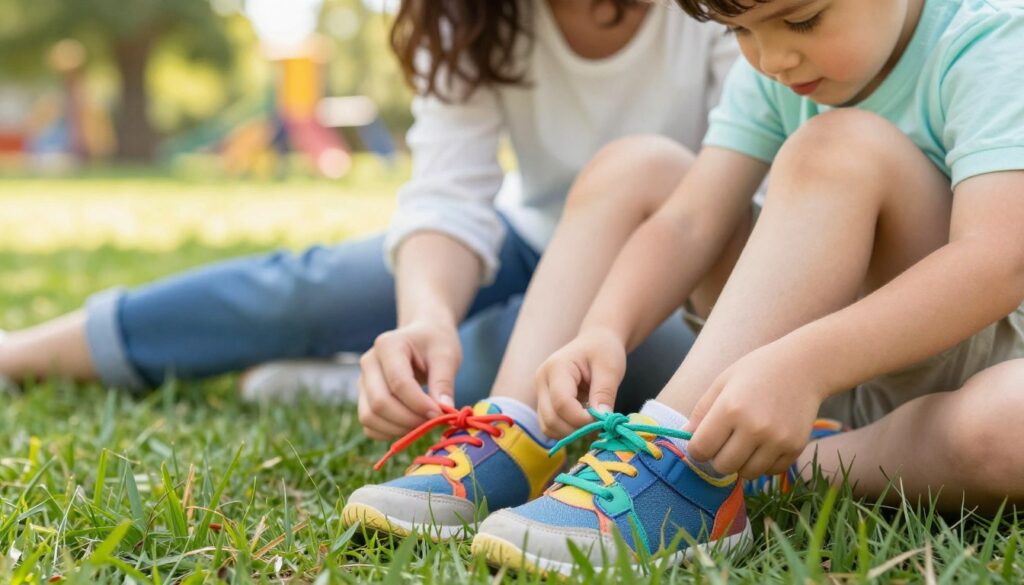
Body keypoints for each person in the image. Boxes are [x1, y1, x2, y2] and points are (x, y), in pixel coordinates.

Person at [0, 0, 736, 531]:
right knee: (318, 285)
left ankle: (328, 383)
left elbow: (734, 199)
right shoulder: (470, 14)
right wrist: (425, 319)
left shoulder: (726, 13)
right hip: (528, 230)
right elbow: (448, 195)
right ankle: (23, 352)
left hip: (666, 283)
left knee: (529, 358)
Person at [464, 0, 1024, 575]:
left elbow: (996, 261)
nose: (772, 58)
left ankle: (731, 463)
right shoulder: (781, 71)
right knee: (646, 166)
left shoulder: (991, 39)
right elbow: (689, 222)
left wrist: (805, 365)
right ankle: (662, 451)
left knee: (1009, 427)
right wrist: (605, 329)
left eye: (803, 20)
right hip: (808, 374)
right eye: (738, 30)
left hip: (969, 361)